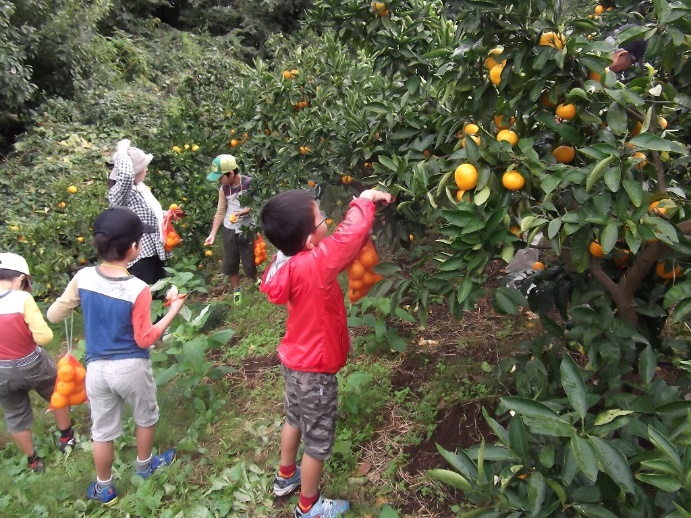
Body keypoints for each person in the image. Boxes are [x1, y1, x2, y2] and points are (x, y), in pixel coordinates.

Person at [259, 188, 392, 518]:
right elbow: (350, 235)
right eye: (320, 218)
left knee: (294, 420)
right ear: (307, 240)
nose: (327, 221)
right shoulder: (315, 264)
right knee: (317, 444)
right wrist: (364, 200)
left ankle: (285, 477)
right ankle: (309, 507)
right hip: (315, 370)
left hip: (294, 362)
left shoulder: (285, 262)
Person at [46, 207, 185, 505]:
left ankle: (104, 487)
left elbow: (54, 314)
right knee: (145, 417)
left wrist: (68, 303)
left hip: (97, 370)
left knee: (103, 431)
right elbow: (144, 338)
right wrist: (173, 310)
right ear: (133, 247)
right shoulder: (138, 288)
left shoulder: (83, 277)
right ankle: (145, 466)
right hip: (131, 367)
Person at [0, 252, 75, 473]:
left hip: (1, 370)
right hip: (31, 362)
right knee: (55, 391)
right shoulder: (22, 299)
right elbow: (45, 337)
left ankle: (33, 461)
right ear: (22, 278)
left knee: (14, 413)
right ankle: (66, 438)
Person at [108, 139, 170, 285]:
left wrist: (164, 215)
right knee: (144, 298)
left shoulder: (140, 188)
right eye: (144, 167)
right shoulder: (120, 193)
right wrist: (122, 150)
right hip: (139, 258)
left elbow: (144, 213)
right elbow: (125, 176)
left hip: (154, 252)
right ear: (134, 170)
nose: (146, 169)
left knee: (159, 296)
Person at [204, 154, 257, 304]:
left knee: (249, 258)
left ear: (231, 173)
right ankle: (236, 290)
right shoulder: (223, 189)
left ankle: (255, 280)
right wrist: (213, 234)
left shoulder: (249, 184)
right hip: (229, 228)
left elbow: (257, 204)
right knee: (231, 260)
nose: (219, 181)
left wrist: (244, 212)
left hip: (246, 228)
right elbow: (220, 211)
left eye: (221, 177)